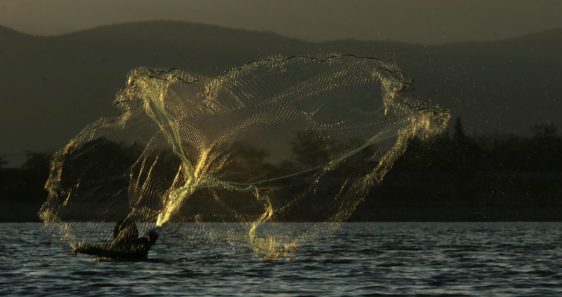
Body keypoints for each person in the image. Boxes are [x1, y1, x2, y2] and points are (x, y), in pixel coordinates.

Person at [72, 218, 159, 260]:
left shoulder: (141, 243)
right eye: (130, 231)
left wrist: (81, 249)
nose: (133, 233)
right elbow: (98, 251)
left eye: (133, 230)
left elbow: (98, 251)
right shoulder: (115, 248)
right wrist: (81, 249)